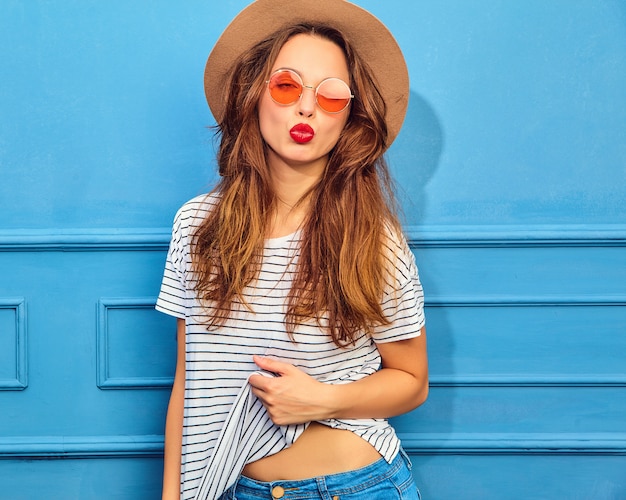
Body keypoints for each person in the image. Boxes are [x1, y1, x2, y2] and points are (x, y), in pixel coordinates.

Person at [156, 0, 428, 498]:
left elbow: (412, 380)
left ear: (350, 119)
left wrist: (322, 401)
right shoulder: (197, 226)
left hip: (357, 486)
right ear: (253, 97)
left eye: (330, 97)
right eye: (287, 86)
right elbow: (189, 383)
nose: (306, 107)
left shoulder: (373, 238)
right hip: (239, 489)